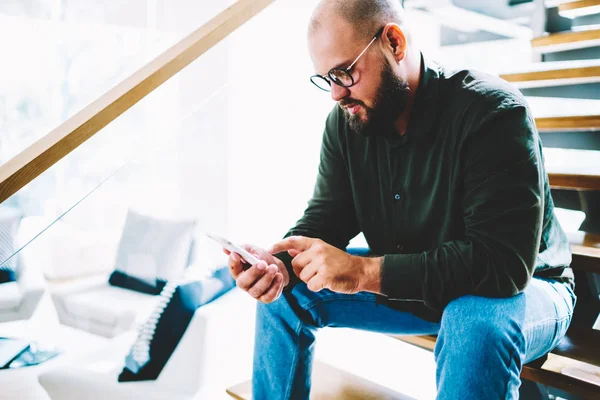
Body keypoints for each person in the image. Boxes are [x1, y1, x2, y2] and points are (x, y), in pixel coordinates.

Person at [224, 0, 576, 398]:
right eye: (326, 79)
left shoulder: (492, 111)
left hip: (527, 287)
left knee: (473, 323)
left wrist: (363, 273)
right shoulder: (348, 121)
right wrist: (277, 265)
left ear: (394, 42)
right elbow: (325, 220)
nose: (336, 94)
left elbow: (501, 266)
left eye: (344, 73)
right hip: (417, 283)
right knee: (284, 293)